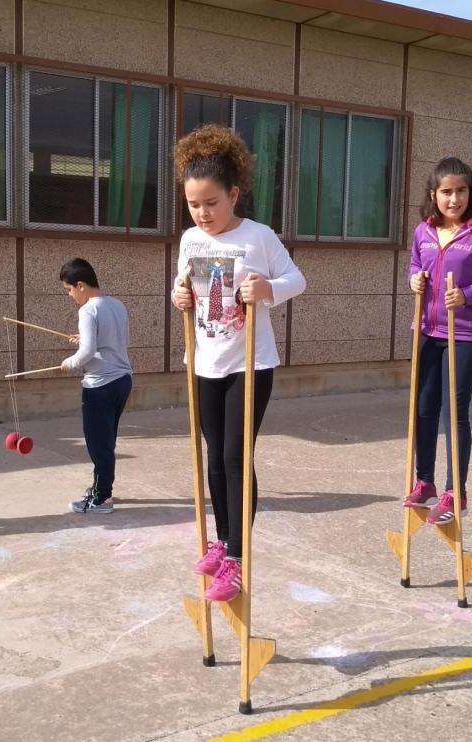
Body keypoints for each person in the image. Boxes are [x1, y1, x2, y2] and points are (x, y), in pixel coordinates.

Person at [171, 124, 306, 602]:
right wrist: (179, 295)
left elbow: (297, 279)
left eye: (211, 202)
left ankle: (237, 556)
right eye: (193, 204)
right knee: (212, 458)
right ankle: (221, 539)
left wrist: (269, 289)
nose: (203, 213)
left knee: (234, 456)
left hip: (250, 364)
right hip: (204, 360)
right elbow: (180, 287)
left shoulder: (259, 237)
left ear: (233, 194)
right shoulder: (190, 240)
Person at [403, 156, 472, 524]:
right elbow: (415, 265)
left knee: (455, 411)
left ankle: (456, 492)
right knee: (423, 408)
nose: (454, 199)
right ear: (433, 194)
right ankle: (425, 481)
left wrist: (468, 294)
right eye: (447, 192)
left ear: (471, 192)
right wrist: (414, 279)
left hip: (465, 334)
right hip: (427, 330)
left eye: (461, 191)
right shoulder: (425, 231)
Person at [59, 258, 133, 514]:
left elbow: (88, 352)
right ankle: (102, 487)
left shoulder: (88, 310)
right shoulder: (117, 304)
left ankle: (102, 498)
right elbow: (114, 340)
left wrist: (70, 362)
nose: (70, 295)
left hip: (100, 385)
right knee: (107, 439)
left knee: (98, 443)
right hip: (122, 380)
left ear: (81, 285)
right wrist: (84, 341)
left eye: (69, 290)